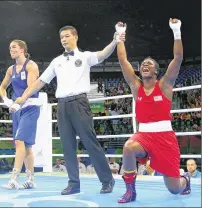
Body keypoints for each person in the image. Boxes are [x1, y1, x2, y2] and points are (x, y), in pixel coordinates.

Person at [10, 24, 125, 195]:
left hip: (79, 102)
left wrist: (115, 41)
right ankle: (73, 184)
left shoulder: (85, 57)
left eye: (67, 36)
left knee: (90, 142)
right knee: (67, 146)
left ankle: (107, 181)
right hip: (62, 105)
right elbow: (40, 82)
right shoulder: (57, 61)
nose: (63, 39)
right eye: (61, 37)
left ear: (75, 37)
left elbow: (102, 55)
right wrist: (23, 98)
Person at [116, 19, 191, 203]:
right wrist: (119, 37)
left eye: (149, 64)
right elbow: (122, 60)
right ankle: (130, 192)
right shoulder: (136, 86)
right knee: (128, 148)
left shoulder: (165, 85)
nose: (145, 65)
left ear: (157, 71)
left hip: (165, 138)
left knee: (174, 189)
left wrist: (176, 31)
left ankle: (185, 180)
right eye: (143, 64)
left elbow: (178, 58)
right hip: (143, 136)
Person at [0, 39, 40, 189]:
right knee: (27, 146)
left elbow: (31, 89)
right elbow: (2, 87)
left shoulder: (31, 66)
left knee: (19, 141)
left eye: (14, 47)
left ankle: (14, 179)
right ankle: (30, 180)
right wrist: (6, 100)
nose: (11, 50)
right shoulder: (11, 69)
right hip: (17, 109)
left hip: (30, 107)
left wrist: (18, 102)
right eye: (10, 48)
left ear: (22, 49)